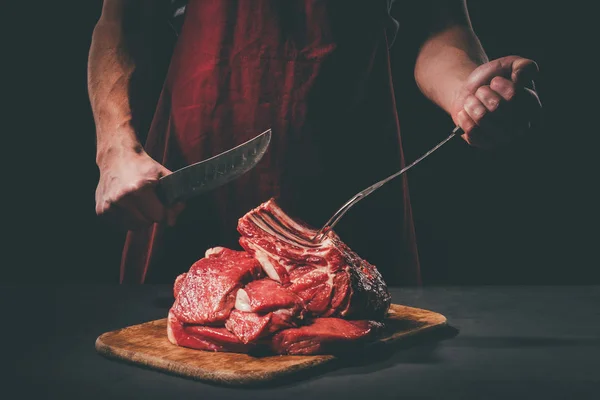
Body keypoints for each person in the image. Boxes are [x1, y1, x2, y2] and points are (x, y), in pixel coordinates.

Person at [88, 0, 542, 285]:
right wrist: (115, 151)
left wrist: (466, 92)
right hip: (197, 154)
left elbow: (439, 24)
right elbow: (119, 23)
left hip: (351, 167)